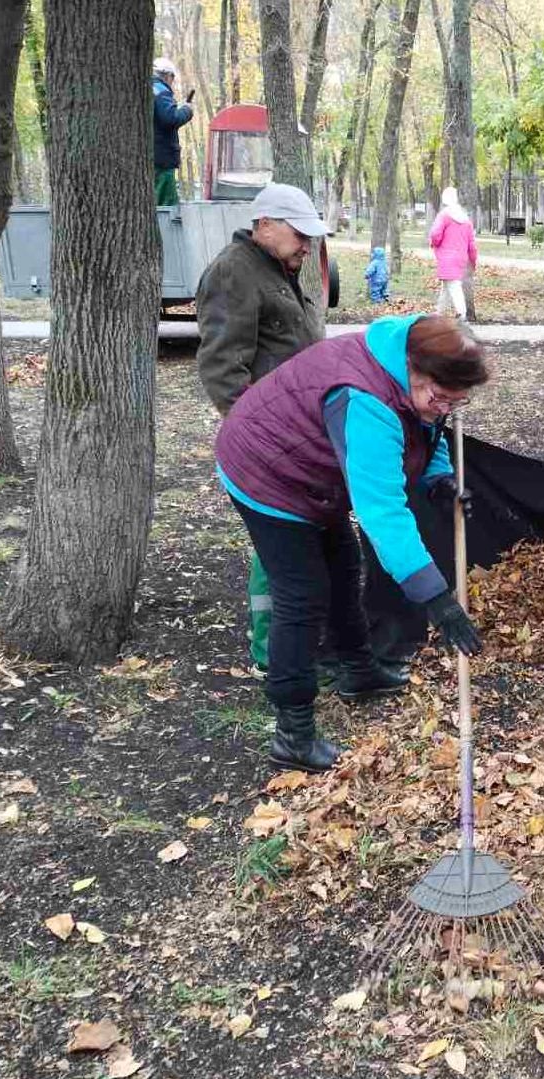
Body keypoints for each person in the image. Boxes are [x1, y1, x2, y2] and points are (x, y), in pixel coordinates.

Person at [214, 315, 488, 772]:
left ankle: (358, 671)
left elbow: (428, 428)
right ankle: (293, 733)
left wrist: (439, 478)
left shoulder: (412, 379)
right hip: (268, 473)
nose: (443, 407)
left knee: (343, 569)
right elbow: (383, 514)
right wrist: (436, 599)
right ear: (413, 369)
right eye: (439, 396)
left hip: (318, 475)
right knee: (302, 596)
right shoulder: (364, 400)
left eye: (454, 402)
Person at [197, 182, 328, 671]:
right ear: (265, 225)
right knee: (279, 544)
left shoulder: (274, 267)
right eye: (298, 234)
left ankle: (298, 639)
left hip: (300, 431)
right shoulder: (234, 273)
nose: (305, 245)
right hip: (272, 442)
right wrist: (260, 437)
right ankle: (270, 653)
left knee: (302, 539)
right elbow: (222, 368)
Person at [428, 187, 478, 319]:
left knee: (454, 287)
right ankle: (438, 313)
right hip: (460, 258)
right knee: (447, 286)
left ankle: (462, 316)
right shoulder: (465, 219)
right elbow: (472, 245)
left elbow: (435, 234)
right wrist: (473, 261)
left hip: (446, 257)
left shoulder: (444, 215)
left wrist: (435, 243)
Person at [151, 58, 194, 207]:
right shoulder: (161, 92)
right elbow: (170, 118)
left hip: (153, 157)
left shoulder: (148, 89)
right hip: (162, 159)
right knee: (166, 205)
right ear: (167, 76)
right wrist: (187, 110)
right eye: (172, 78)